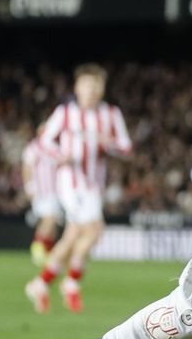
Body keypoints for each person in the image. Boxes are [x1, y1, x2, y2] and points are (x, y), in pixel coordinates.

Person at [25, 65, 132, 314]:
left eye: (96, 86)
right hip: (70, 182)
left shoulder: (111, 114)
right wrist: (59, 155)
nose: (91, 90)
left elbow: (126, 148)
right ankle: (71, 282)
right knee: (94, 229)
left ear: (102, 89)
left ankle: (41, 283)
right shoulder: (65, 113)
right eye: (87, 85)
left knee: (73, 236)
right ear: (77, 88)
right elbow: (43, 142)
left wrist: (110, 144)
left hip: (94, 184)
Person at [22, 134, 62, 266]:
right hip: (42, 191)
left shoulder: (57, 147)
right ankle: (37, 247)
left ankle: (48, 250)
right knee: (48, 219)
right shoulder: (33, 148)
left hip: (56, 191)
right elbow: (26, 167)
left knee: (53, 223)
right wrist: (29, 186)